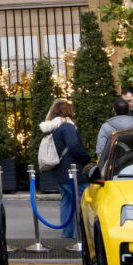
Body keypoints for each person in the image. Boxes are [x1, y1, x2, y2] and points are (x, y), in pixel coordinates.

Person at [41, 99, 92, 241]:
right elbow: (74, 146)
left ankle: (67, 232)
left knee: (67, 200)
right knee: (81, 200)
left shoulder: (53, 127)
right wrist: (86, 158)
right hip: (73, 171)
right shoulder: (67, 127)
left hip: (59, 170)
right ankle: (79, 234)